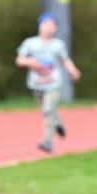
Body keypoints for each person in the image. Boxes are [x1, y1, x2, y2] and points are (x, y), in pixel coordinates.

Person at [15, 12, 81, 153]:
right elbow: (19, 60)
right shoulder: (30, 43)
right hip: (36, 85)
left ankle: (47, 142)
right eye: (46, 25)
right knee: (47, 110)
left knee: (47, 110)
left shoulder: (58, 45)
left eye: (52, 25)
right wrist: (31, 62)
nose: (48, 28)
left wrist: (73, 70)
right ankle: (57, 122)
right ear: (40, 26)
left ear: (55, 28)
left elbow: (65, 60)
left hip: (53, 84)